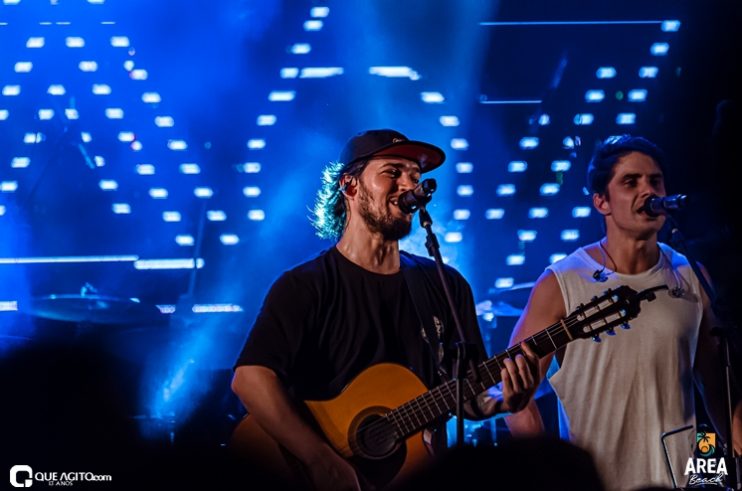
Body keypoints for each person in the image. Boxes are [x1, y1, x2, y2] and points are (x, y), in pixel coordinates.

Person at [231, 129, 538, 490]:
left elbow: (466, 396)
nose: (409, 186)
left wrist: (502, 402)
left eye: (415, 176)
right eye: (393, 172)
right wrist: (320, 458)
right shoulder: (305, 286)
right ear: (350, 186)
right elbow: (250, 378)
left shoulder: (445, 285)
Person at [504, 134, 742, 490]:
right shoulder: (563, 281)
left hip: (681, 480)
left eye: (655, 181)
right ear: (602, 201)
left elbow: (716, 384)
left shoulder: (690, 273)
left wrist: (729, 465)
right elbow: (515, 397)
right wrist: (551, 475)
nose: (648, 191)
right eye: (631, 182)